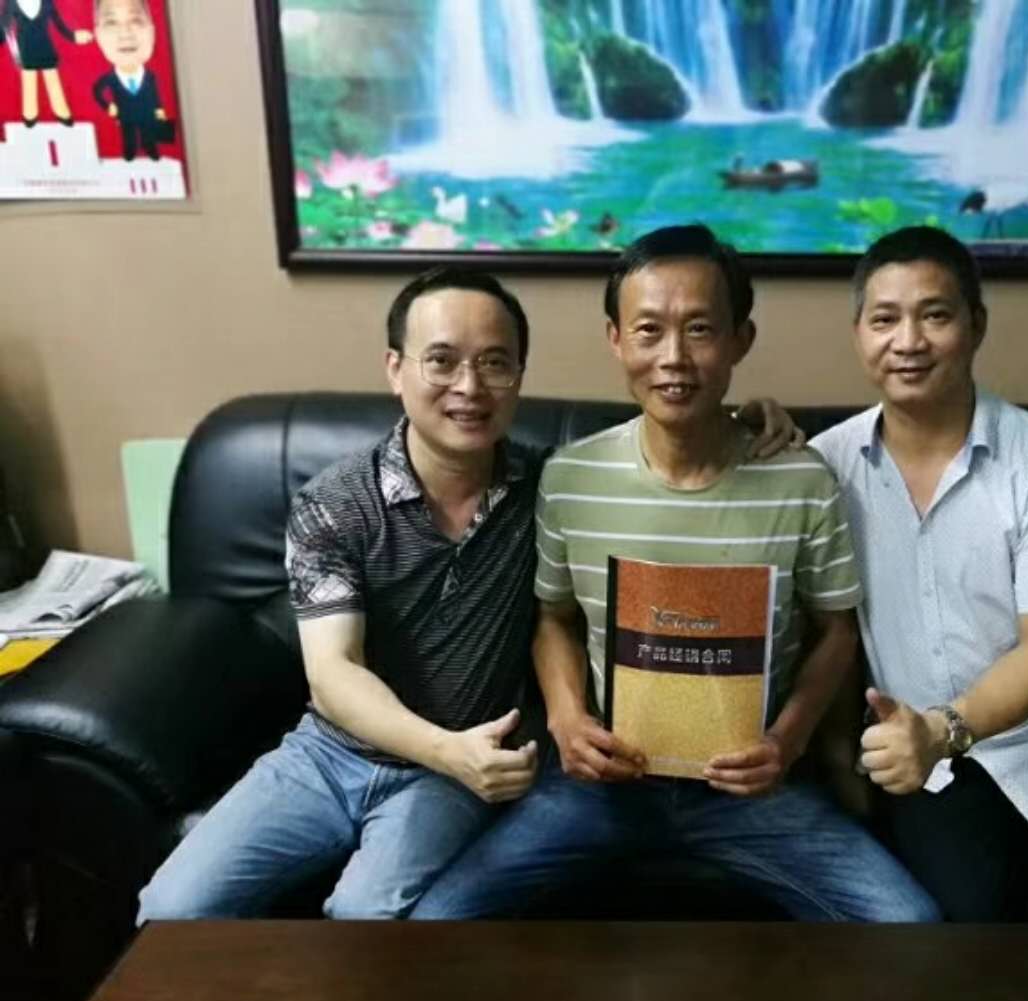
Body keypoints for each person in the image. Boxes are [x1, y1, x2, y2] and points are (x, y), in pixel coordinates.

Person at [136, 266, 802, 922]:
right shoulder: (334, 503)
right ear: (395, 369)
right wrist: (445, 750)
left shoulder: (551, 490)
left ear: (519, 375)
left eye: (494, 363)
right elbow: (334, 672)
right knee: (171, 909)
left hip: (456, 769)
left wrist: (742, 419)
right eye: (442, 361)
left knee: (368, 914)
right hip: (332, 754)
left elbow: (665, 449)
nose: (470, 387)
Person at [412, 225, 938, 922]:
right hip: (603, 785)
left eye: (700, 330)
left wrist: (786, 742)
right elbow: (553, 616)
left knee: (909, 925)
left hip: (751, 790)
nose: (674, 358)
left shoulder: (802, 479)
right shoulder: (570, 477)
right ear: (615, 338)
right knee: (439, 920)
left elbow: (836, 630)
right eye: (649, 330)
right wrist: (567, 719)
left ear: (741, 339)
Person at [811, 225, 1028, 923]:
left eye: (934, 316)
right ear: (858, 334)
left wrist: (941, 730)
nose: (908, 341)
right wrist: (845, 752)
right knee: (954, 952)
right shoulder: (825, 466)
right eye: (885, 320)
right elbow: (830, 628)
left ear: (976, 326)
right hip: (928, 767)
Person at [91, 0, 167, 161]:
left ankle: (151, 150)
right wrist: (108, 106)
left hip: (146, 113)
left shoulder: (151, 77)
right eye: (112, 23)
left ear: (152, 32)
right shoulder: (110, 79)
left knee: (148, 133)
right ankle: (129, 153)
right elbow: (98, 91)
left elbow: (155, 96)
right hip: (126, 114)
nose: (125, 33)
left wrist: (159, 111)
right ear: (98, 35)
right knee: (128, 135)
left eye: (136, 21)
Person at [1, 0, 94, 126]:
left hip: (45, 43)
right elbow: (4, 25)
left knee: (52, 79)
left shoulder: (46, 2)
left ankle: (61, 111)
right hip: (26, 47)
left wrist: (72, 36)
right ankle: (30, 114)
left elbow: (58, 22)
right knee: (29, 80)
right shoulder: (11, 3)